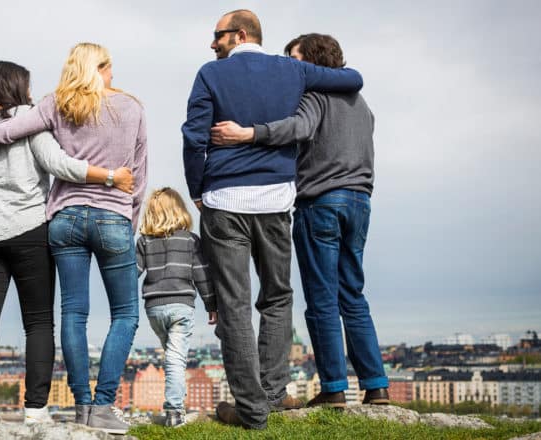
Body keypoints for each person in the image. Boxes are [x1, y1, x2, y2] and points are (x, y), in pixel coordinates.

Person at [182, 9, 366, 429]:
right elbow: (353, 78)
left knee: (233, 303)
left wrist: (197, 190)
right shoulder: (292, 72)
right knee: (278, 297)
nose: (213, 44)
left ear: (240, 34)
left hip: (224, 200)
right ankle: (269, 394)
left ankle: (251, 410)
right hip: (275, 202)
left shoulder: (210, 74)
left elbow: (194, 138)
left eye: (218, 35)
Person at [0, 43, 147, 434]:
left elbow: (4, 131)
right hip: (113, 216)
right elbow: (139, 173)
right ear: (101, 68)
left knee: (73, 313)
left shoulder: (54, 104)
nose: (113, 76)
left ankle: (80, 406)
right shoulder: (132, 107)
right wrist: (130, 220)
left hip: (65, 219)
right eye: (110, 69)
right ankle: (103, 406)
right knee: (125, 313)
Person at [210, 33, 389, 408]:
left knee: (321, 298)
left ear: (311, 60)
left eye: (295, 58)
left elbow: (299, 128)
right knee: (352, 294)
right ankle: (377, 386)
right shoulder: (361, 104)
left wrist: (249, 133)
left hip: (320, 202)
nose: (291, 66)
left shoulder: (314, 96)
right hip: (360, 202)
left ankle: (335, 389)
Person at [136, 188, 217, 427]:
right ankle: (174, 410)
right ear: (179, 210)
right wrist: (211, 304)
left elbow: (132, 273)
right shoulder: (190, 240)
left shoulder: (144, 241)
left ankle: (176, 401)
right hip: (181, 307)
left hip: (154, 309)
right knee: (176, 358)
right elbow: (201, 274)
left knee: (172, 356)